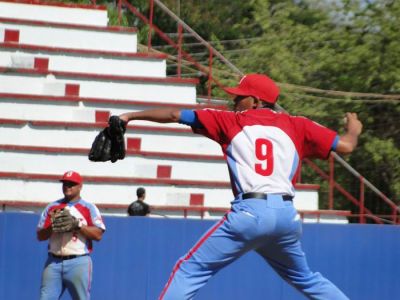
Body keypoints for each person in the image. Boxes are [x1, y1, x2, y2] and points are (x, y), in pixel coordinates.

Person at [119, 73, 362, 299]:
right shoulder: (298, 125)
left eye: (239, 97)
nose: (233, 100)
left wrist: (128, 116)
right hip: (286, 217)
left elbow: (174, 115)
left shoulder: (231, 121)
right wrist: (353, 129)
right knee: (306, 279)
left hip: (251, 212)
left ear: (255, 101)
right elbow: (347, 146)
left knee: (189, 269)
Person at [36, 170, 106, 300]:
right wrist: (52, 226)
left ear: (80, 186)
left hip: (78, 261)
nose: (67, 186)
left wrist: (78, 226)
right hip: (53, 261)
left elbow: (98, 235)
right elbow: (40, 236)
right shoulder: (52, 207)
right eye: (65, 183)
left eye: (71, 184)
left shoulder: (88, 207)